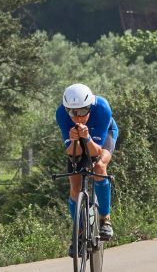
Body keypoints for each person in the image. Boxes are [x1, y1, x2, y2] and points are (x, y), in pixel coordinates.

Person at [55, 83, 118, 256]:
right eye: (72, 112)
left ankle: (105, 219)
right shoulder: (61, 114)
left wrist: (87, 137)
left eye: (83, 111)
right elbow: (72, 154)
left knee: (99, 166)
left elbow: (95, 152)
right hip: (81, 140)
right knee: (75, 189)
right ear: (66, 109)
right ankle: (80, 232)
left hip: (102, 135)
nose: (78, 117)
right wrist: (75, 141)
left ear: (90, 106)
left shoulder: (102, 108)